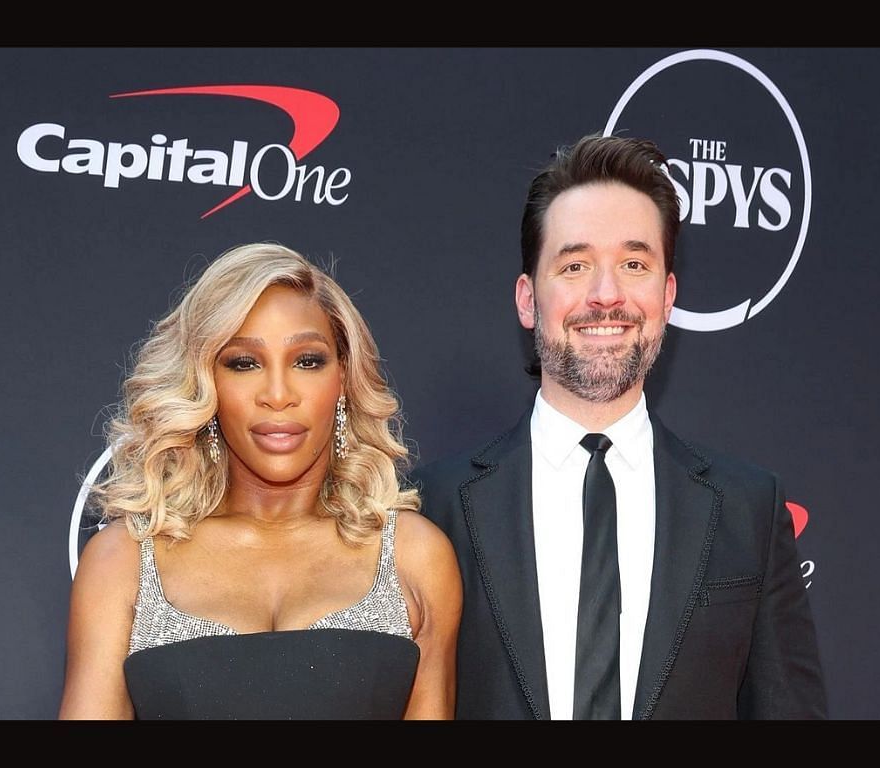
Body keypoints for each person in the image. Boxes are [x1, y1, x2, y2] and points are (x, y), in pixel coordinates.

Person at [413, 134, 826, 719]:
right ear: (528, 299)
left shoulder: (748, 511)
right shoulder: (433, 510)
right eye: (576, 265)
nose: (606, 296)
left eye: (634, 264)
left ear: (667, 295)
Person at [59, 243, 462, 719]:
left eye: (307, 361)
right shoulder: (123, 560)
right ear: (206, 382)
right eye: (243, 363)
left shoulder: (414, 557)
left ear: (344, 380)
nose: (277, 394)